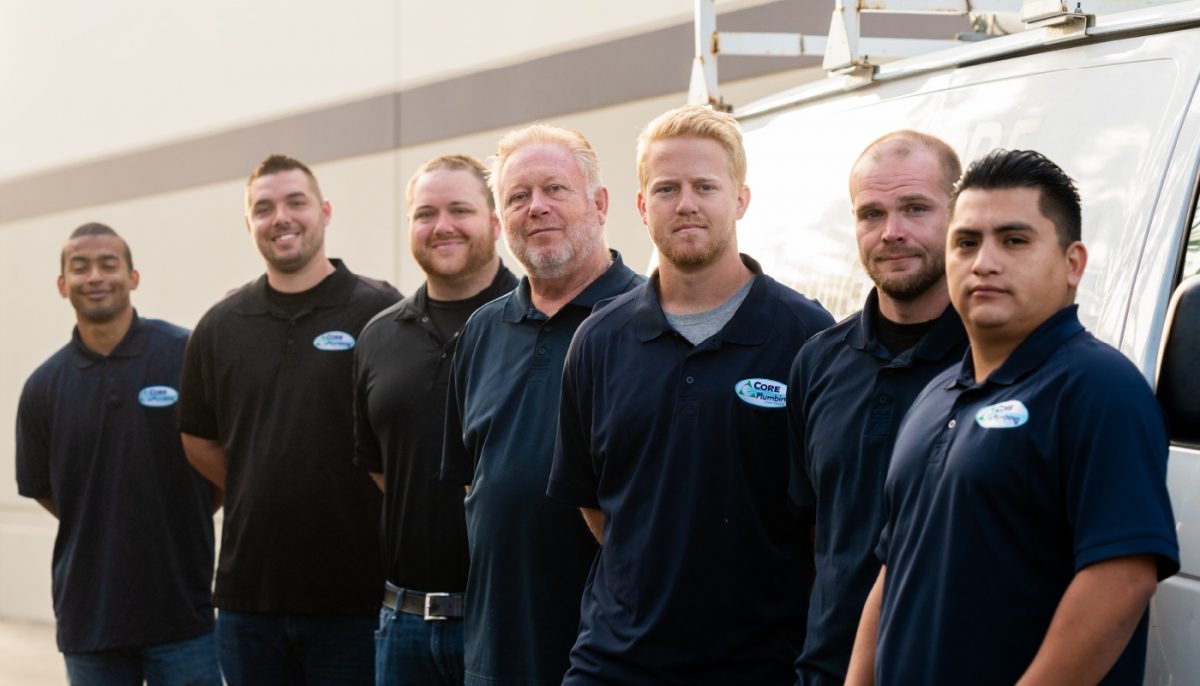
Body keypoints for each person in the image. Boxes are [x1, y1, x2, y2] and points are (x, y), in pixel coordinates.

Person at [846, 149, 1180, 686]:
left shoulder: (1099, 388)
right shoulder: (936, 396)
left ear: (1073, 263)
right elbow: (894, 574)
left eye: (1015, 240)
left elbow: (1121, 581)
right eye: (967, 242)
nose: (984, 263)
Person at [547, 104, 834, 685]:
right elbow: (596, 504)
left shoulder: (807, 336)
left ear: (741, 200)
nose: (686, 204)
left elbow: (822, 520)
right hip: (615, 664)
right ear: (640, 206)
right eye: (666, 188)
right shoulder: (598, 341)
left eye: (706, 186)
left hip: (759, 667)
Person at [178, 154, 401, 685]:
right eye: (264, 207)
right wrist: (259, 482)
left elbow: (406, 438)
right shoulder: (220, 325)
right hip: (249, 601)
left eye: (296, 202)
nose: (281, 217)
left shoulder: (379, 310)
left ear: (324, 211)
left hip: (356, 599)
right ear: (249, 224)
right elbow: (197, 437)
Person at [440, 124, 643, 686]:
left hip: (612, 654)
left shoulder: (649, 322)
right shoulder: (482, 330)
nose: (537, 208)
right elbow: (475, 484)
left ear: (599, 204)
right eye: (517, 197)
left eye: (555, 189)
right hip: (496, 651)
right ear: (502, 220)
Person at [788, 131, 967, 686]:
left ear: (959, 214)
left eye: (916, 208)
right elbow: (808, 535)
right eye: (871, 213)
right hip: (827, 671)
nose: (892, 232)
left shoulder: (996, 362)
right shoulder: (817, 363)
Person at [15, 223, 220, 685]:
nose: (95, 276)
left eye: (109, 264)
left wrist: (182, 512)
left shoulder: (185, 354)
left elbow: (221, 463)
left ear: (133, 277)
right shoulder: (44, 386)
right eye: (80, 267)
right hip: (91, 619)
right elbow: (45, 490)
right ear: (62, 284)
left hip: (184, 615)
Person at [354, 154, 517, 686]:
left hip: (507, 625)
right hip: (401, 627)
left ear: (494, 222)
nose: (442, 226)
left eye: (459, 210)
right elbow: (384, 470)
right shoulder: (379, 336)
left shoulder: (536, 322)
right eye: (425, 213)